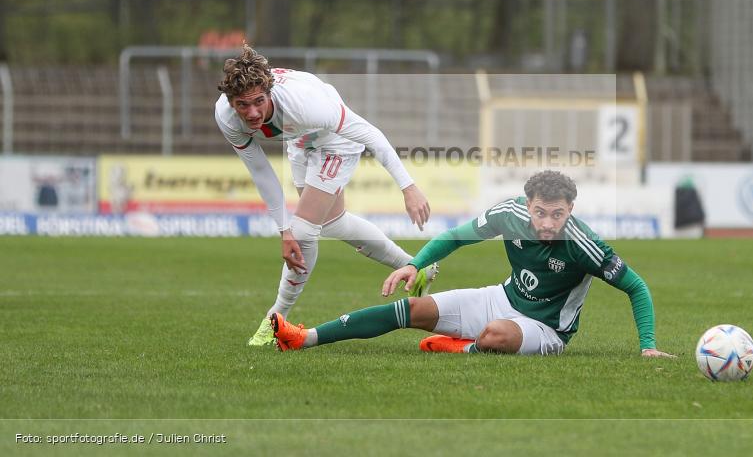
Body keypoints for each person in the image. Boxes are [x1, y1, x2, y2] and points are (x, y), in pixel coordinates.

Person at [269, 170, 675, 357]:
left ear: (571, 209)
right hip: (501, 297)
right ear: (527, 205)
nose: (547, 223)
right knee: (412, 309)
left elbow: (636, 287)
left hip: (547, 329)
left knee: (495, 335)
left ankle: (464, 348)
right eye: (540, 212)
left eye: (557, 214)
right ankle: (303, 337)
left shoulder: (584, 243)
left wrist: (649, 347)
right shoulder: (509, 214)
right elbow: (453, 237)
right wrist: (416, 264)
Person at [215, 45, 438, 347]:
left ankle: (273, 321)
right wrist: (283, 229)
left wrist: (407, 186)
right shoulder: (226, 117)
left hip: (336, 142)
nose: (252, 113)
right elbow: (261, 172)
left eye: (258, 102)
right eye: (243, 105)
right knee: (332, 223)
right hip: (299, 140)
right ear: (230, 102)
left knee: (305, 230)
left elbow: (371, 134)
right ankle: (417, 266)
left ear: (270, 92)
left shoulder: (308, 105)